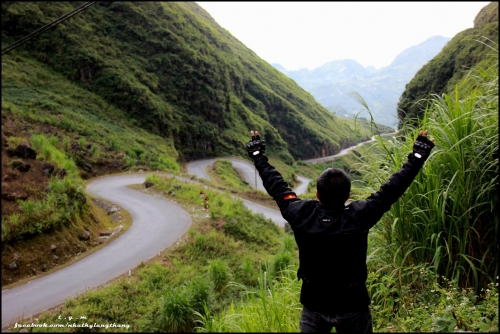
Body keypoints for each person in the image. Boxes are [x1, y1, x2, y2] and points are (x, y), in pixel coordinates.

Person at [245, 129, 435, 333]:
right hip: (353, 305)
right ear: (348, 195)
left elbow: (277, 186)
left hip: (314, 305)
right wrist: (417, 156)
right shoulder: (359, 216)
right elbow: (391, 189)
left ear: (317, 194)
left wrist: (258, 155)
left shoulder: (301, 214)